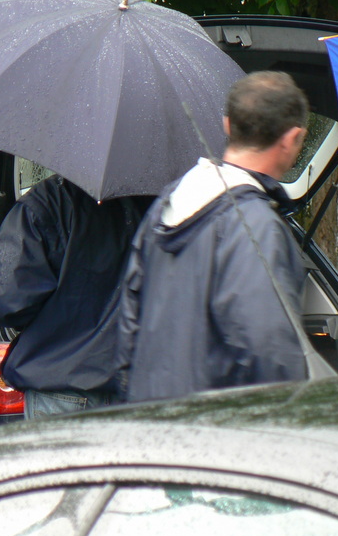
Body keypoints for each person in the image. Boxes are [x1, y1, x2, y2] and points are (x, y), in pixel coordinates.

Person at [117, 71, 309, 402]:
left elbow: (128, 322)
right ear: (293, 138)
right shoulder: (255, 225)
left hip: (149, 414)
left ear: (227, 125)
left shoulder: (169, 201)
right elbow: (269, 352)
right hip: (215, 426)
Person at [0, 175, 152, 418]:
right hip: (142, 384)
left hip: (60, 383)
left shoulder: (49, 200)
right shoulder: (170, 204)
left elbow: (9, 302)